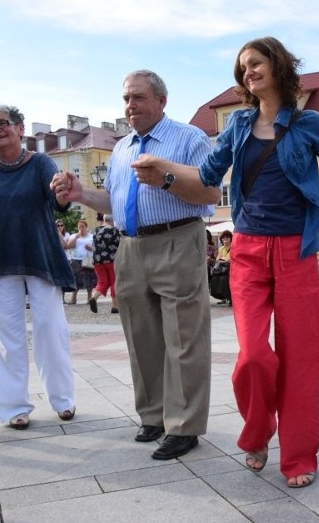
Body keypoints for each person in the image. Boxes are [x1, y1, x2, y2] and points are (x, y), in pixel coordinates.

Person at [130, 36, 319, 487]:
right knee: (253, 357)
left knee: (301, 359)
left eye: (256, 63)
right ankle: (258, 431)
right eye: (243, 67)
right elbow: (206, 179)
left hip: (296, 251)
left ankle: (299, 456)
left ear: (278, 66)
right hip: (246, 250)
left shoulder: (310, 123)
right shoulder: (239, 124)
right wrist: (164, 172)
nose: (249, 72)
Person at [51, 69, 216, 460]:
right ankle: (155, 415)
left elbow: (210, 191)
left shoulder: (188, 138)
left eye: (138, 98)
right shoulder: (122, 148)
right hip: (130, 246)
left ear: (161, 100)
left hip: (177, 237)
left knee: (184, 337)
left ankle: (185, 425)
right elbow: (114, 202)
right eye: (126, 98)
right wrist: (81, 195)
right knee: (141, 339)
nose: (130, 105)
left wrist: (168, 180)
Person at [0, 104, 77, 429]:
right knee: (7, 336)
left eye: (3, 123)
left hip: (40, 253)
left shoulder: (40, 163)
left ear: (20, 129)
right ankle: (14, 408)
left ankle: (63, 400)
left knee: (51, 328)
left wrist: (63, 193)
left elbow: (58, 203)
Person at [88, 215, 120, 314]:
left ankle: (94, 297)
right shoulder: (114, 231)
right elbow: (119, 244)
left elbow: (94, 244)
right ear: (111, 220)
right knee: (114, 282)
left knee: (102, 282)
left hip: (97, 261)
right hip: (111, 260)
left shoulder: (97, 230)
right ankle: (115, 306)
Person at [65, 220, 95, 305]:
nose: (81, 228)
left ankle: (89, 298)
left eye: (83, 227)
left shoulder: (91, 237)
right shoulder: (74, 236)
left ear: (86, 227)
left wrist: (91, 248)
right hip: (76, 259)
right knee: (76, 279)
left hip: (87, 260)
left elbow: (96, 248)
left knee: (89, 278)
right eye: (79, 227)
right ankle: (73, 298)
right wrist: (75, 238)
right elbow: (68, 246)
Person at [210, 230, 233, 305]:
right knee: (214, 279)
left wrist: (222, 260)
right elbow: (218, 259)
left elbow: (229, 260)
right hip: (222, 269)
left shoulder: (233, 247)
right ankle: (223, 297)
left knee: (224, 279)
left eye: (227, 237)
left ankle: (230, 298)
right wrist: (223, 260)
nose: (225, 239)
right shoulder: (221, 249)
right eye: (223, 238)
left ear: (231, 239)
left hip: (230, 269)